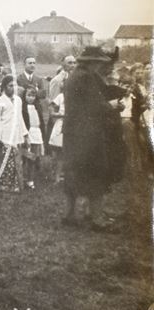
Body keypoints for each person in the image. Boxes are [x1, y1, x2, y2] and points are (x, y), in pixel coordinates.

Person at [62, 47, 125, 230]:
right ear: (92, 62)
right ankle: (97, 219)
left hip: (74, 133)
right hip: (87, 135)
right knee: (96, 173)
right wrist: (112, 105)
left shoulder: (77, 75)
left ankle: (70, 215)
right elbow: (94, 105)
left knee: (73, 173)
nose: (101, 66)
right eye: (99, 62)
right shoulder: (86, 77)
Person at [0, 75, 29, 193]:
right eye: (10, 86)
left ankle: (16, 184)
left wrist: (24, 134)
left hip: (16, 133)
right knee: (7, 161)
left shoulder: (18, 100)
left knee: (17, 159)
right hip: (5, 134)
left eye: (15, 86)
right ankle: (4, 184)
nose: (13, 88)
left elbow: (20, 117)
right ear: (4, 87)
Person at [21, 86, 45, 190]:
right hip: (27, 132)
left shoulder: (37, 107)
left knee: (33, 157)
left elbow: (41, 122)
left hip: (36, 133)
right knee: (24, 156)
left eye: (33, 96)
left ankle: (30, 180)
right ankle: (21, 178)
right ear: (24, 96)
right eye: (29, 95)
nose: (31, 98)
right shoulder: (23, 108)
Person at [48, 81, 66, 183]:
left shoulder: (78, 96)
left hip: (74, 125)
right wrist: (56, 114)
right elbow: (51, 106)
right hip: (61, 125)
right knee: (58, 152)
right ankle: (56, 176)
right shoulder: (61, 96)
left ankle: (67, 175)